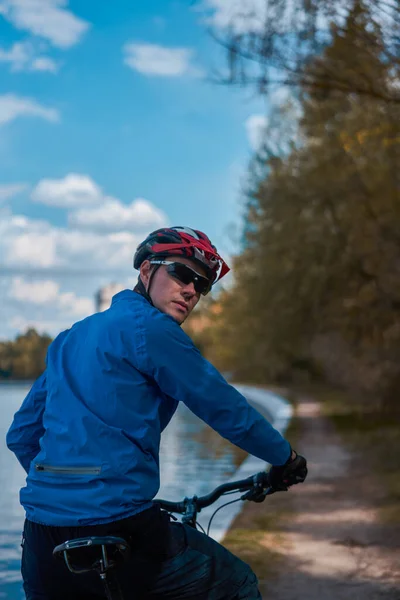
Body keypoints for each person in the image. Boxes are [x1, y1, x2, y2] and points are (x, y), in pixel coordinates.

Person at [7, 226, 308, 600]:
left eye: (202, 286)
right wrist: (286, 458)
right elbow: (225, 408)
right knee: (236, 584)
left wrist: (67, 491)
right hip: (118, 531)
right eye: (182, 274)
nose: (192, 291)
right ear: (147, 271)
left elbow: (20, 434)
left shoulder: (71, 337)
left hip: (40, 540)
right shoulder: (152, 330)